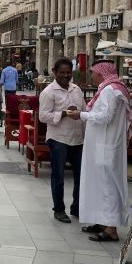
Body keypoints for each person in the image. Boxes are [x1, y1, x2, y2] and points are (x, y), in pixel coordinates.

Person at [65, 60, 132, 242]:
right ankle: (102, 221)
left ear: (101, 73)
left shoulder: (111, 90)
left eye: (93, 72)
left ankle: (111, 228)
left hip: (106, 147)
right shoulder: (109, 88)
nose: (91, 75)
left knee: (107, 186)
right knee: (99, 184)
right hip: (102, 146)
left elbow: (105, 116)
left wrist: (80, 115)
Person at [39, 58, 85, 224]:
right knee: (58, 175)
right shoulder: (49, 92)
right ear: (54, 72)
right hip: (58, 138)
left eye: (68, 73)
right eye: (62, 73)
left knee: (80, 175)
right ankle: (59, 209)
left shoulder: (76, 90)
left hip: (77, 139)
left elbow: (84, 111)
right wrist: (64, 113)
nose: (66, 76)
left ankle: (77, 207)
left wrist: (79, 115)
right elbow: (43, 116)